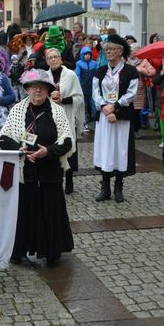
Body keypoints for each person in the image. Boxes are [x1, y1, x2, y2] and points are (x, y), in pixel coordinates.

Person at [0, 69, 74, 265]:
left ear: (48, 90)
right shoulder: (17, 110)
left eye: (41, 87)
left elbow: (67, 142)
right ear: (27, 90)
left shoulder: (57, 111)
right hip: (26, 171)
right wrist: (20, 150)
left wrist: (47, 151)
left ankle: (51, 252)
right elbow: (3, 138)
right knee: (24, 212)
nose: (37, 91)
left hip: (50, 171)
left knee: (50, 211)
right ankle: (20, 250)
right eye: (33, 87)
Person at [92, 35, 139, 203]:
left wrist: (116, 107)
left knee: (120, 151)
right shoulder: (99, 72)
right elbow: (95, 94)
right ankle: (105, 187)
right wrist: (106, 108)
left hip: (123, 116)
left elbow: (131, 94)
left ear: (120, 51)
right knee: (105, 150)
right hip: (105, 116)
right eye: (106, 49)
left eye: (111, 49)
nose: (108, 52)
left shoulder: (130, 71)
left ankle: (118, 187)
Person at [45, 47, 84, 194]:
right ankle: (55, 178)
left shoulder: (70, 75)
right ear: (47, 61)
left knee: (68, 146)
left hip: (67, 115)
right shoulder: (45, 76)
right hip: (51, 117)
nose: (53, 59)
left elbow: (80, 98)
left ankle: (69, 178)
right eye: (50, 58)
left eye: (56, 57)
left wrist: (63, 99)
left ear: (61, 59)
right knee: (53, 146)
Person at [75, 46, 98, 132]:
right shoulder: (79, 64)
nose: (87, 56)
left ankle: (97, 122)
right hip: (83, 88)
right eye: (85, 54)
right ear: (82, 55)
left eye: (89, 54)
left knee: (95, 107)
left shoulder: (95, 64)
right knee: (84, 107)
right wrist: (78, 87)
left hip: (93, 89)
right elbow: (77, 76)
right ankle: (85, 124)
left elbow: (97, 76)